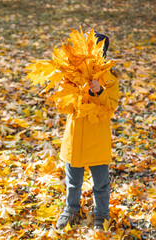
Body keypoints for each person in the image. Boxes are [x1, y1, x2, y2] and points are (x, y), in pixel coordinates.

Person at [56, 31, 119, 230]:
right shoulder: (72, 75)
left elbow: (110, 108)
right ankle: (71, 208)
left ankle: (101, 214)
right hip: (75, 138)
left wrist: (99, 91)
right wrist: (67, 90)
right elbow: (63, 107)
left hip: (97, 139)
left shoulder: (109, 79)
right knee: (73, 181)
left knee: (101, 183)